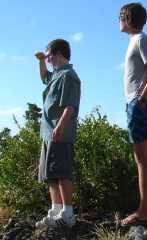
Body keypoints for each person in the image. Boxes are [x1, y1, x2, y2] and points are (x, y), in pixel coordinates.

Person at [119, 2, 147, 226]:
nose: (118, 21)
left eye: (120, 17)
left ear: (126, 18)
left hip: (141, 105)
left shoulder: (140, 39)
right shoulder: (137, 41)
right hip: (145, 104)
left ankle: (144, 212)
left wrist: (141, 97)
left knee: (143, 160)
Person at [34, 39, 81, 228]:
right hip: (48, 132)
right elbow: (44, 77)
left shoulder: (68, 75)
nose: (48, 60)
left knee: (61, 172)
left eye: (48, 56)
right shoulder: (56, 75)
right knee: (50, 174)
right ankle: (56, 211)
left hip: (59, 131)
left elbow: (70, 105)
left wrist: (60, 125)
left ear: (58, 53)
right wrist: (40, 61)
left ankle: (67, 214)